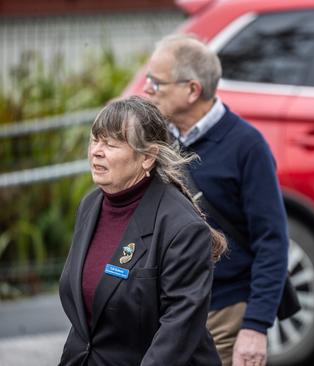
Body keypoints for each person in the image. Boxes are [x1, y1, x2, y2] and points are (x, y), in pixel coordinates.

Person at [143, 34, 289, 366]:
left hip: (224, 310)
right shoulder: (157, 140)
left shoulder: (247, 145)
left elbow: (272, 241)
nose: (147, 89)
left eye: (157, 82)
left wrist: (255, 326)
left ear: (192, 90)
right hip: (168, 309)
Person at [58, 96, 226, 366]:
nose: (97, 151)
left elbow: (178, 329)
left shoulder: (181, 226)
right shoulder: (90, 205)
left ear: (147, 157)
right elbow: (87, 319)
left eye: (111, 144)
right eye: (95, 140)